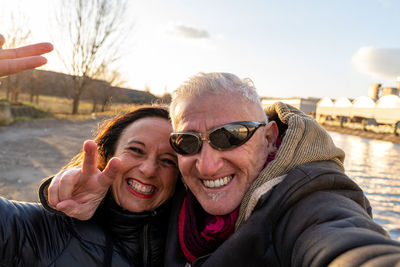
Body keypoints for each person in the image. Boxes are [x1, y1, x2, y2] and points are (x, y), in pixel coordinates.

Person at [45, 72, 400, 266]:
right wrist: (65, 196)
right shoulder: (177, 194)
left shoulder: (307, 197)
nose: (208, 163)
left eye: (231, 137)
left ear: (270, 137)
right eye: (187, 143)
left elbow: (341, 240)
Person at [0, 106, 180, 266]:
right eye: (136, 150)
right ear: (109, 154)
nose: (149, 170)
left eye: (168, 160)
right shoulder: (48, 233)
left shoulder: (192, 247)